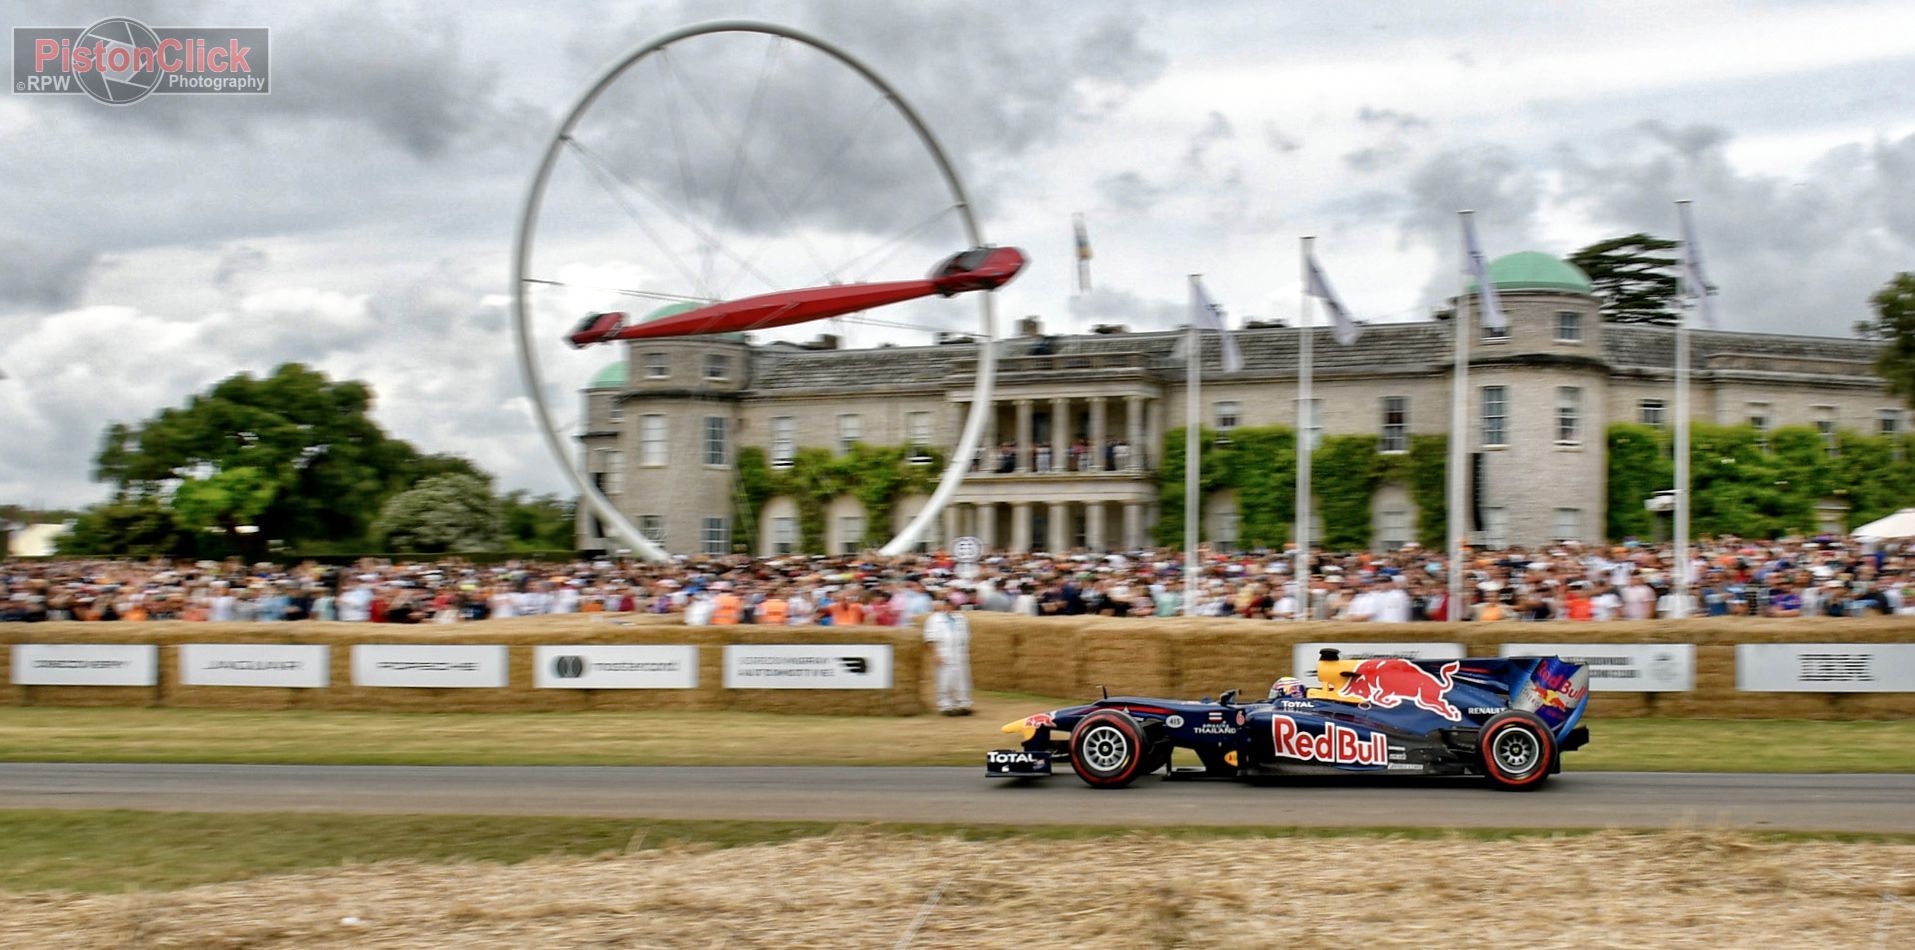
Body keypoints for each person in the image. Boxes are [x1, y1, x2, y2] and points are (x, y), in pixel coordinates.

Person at [922, 595, 972, 716]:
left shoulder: (961, 619)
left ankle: (963, 704)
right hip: (943, 652)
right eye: (947, 604)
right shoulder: (934, 619)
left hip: (959, 654)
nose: (949, 607)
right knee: (944, 680)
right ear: (943, 605)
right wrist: (935, 654)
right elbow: (930, 638)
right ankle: (946, 705)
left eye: (952, 605)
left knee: (962, 680)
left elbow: (966, 637)